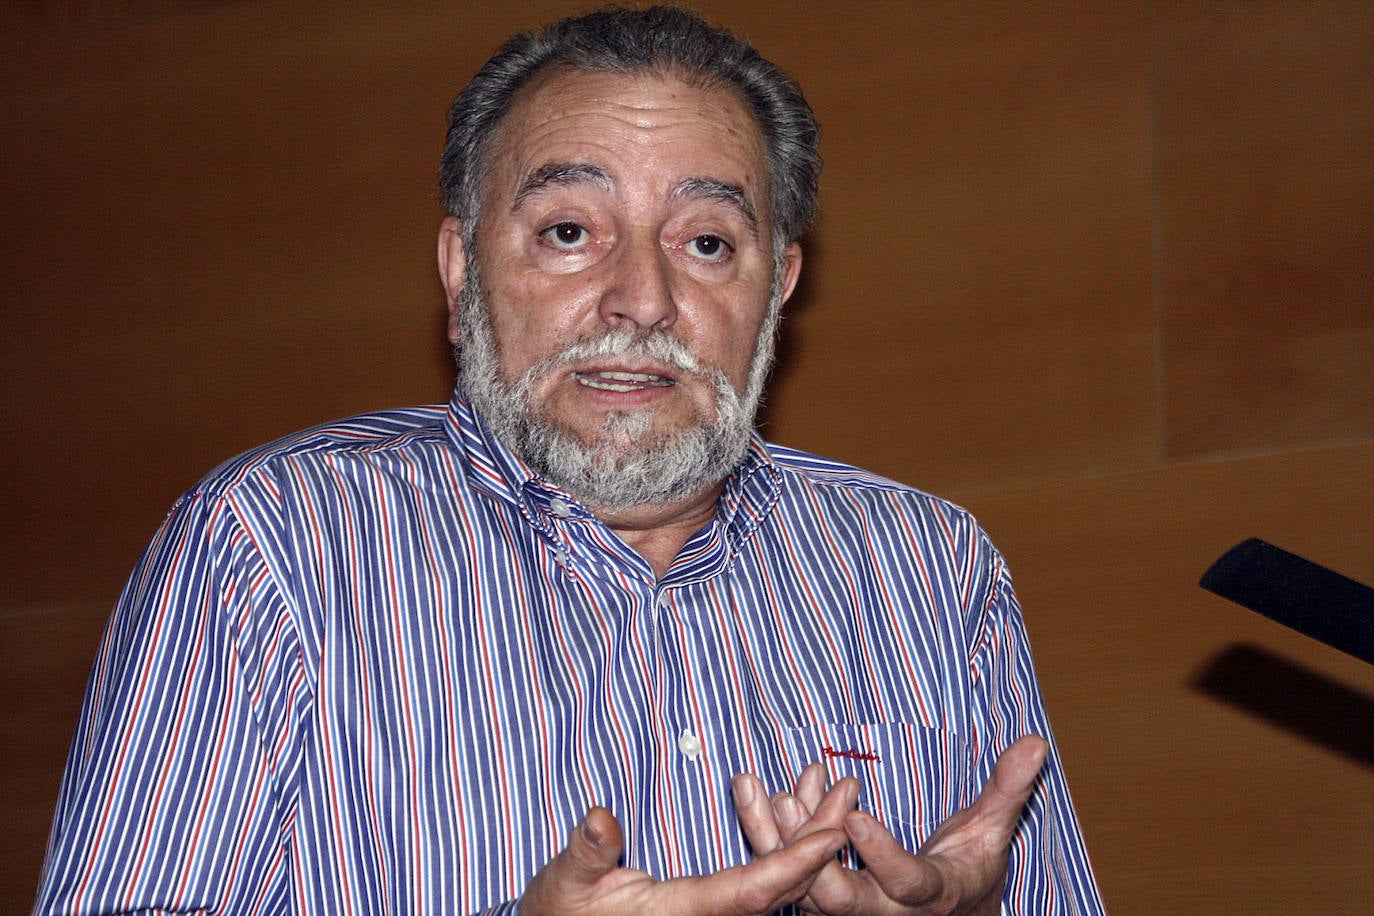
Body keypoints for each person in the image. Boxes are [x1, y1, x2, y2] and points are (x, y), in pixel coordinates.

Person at [34, 6, 1104, 914]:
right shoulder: (272, 546)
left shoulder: (932, 567)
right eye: (568, 231)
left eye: (705, 242)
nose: (644, 301)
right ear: (461, 270)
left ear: (776, 285)